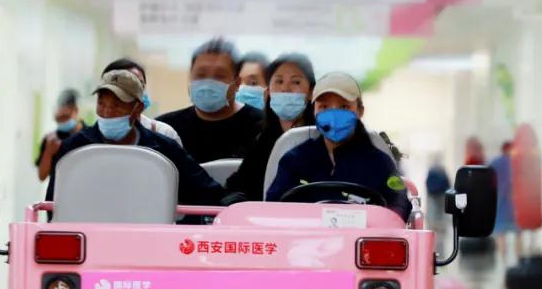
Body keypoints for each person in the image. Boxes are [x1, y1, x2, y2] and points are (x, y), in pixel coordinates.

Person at [45, 70, 228, 207]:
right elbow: (54, 202)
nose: (107, 112)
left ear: (137, 108)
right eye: (101, 104)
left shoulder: (164, 149)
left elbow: (205, 189)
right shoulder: (74, 148)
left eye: (117, 105)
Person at [265, 72, 412, 222]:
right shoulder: (293, 160)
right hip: (304, 236)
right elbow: (272, 209)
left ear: (360, 111)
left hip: (361, 236)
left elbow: (400, 207)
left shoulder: (380, 163)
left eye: (344, 106)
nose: (333, 115)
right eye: (324, 107)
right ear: (314, 111)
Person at [155, 37, 264, 163]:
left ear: (237, 83)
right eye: (200, 75)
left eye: (219, 76)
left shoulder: (263, 127)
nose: (207, 83)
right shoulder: (165, 129)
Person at [225, 53, 316, 200]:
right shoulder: (263, 140)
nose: (285, 89)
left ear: (311, 92)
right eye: (279, 81)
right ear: (267, 92)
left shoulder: (321, 137)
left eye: (296, 82)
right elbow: (238, 185)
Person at [100, 58, 183, 146]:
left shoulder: (165, 133)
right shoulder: (91, 138)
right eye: (126, 86)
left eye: (140, 85)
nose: (136, 91)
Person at [36, 89, 84, 181]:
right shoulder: (51, 139)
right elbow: (42, 176)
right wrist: (48, 152)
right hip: (58, 188)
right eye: (59, 119)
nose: (62, 122)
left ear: (76, 111)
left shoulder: (89, 136)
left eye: (65, 117)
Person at [490, 140, 523, 262]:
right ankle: (519, 260)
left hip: (500, 203)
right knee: (518, 234)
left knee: (500, 234)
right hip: (516, 204)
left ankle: (503, 260)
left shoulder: (495, 163)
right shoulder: (518, 162)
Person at [425, 154, 451, 232]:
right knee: (440, 210)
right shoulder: (442, 170)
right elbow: (447, 183)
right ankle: (440, 226)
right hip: (441, 194)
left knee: (434, 210)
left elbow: (427, 182)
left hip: (433, 194)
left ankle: (434, 225)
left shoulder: (432, 170)